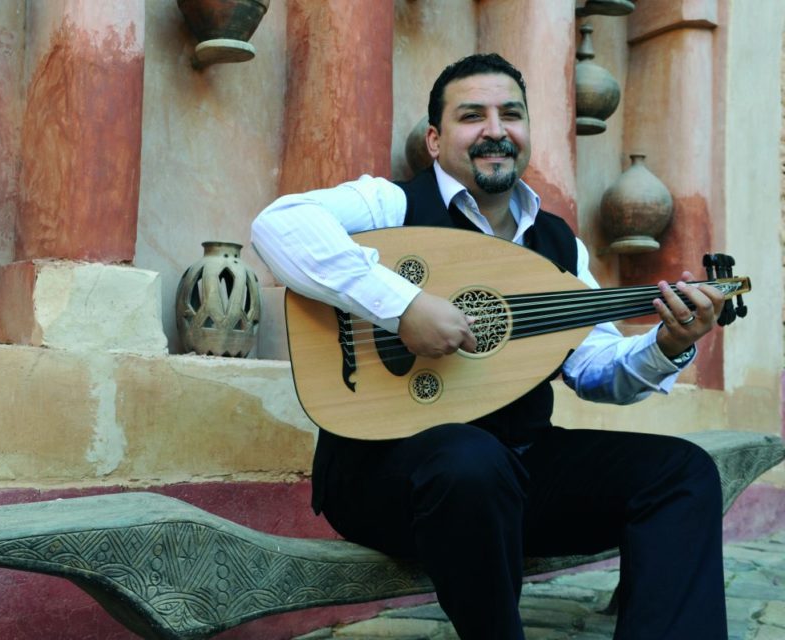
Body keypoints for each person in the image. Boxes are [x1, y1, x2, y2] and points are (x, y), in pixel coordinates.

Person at [250, 53, 728, 639]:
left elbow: (595, 369)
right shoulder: (392, 205)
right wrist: (401, 307)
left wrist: (666, 343)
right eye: (472, 115)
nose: (495, 130)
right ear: (435, 138)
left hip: (519, 470)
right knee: (469, 461)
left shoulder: (559, 244)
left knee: (683, 473)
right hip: (389, 477)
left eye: (511, 115)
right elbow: (279, 224)